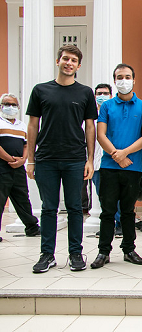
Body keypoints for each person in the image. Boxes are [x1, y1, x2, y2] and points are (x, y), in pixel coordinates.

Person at [26, 44, 97, 273]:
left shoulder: (85, 92)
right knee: (49, 208)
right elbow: (33, 124)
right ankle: (47, 254)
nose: (69, 63)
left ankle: (76, 253)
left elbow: (89, 127)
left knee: (76, 207)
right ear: (58, 61)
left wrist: (89, 159)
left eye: (74, 60)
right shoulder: (40, 90)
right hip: (46, 157)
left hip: (75, 158)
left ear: (78, 65)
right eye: (65, 59)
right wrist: (31, 158)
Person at [90, 63, 142, 269]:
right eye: (119, 77)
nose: (123, 81)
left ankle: (129, 249)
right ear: (114, 80)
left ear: (134, 80)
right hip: (109, 166)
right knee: (107, 211)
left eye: (127, 77)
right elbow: (101, 134)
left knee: (128, 210)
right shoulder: (106, 106)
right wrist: (116, 155)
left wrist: (125, 153)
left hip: (132, 166)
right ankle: (103, 251)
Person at [0, 94, 41, 240]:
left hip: (18, 168)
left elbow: (27, 144)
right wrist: (9, 159)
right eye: (6, 104)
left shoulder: (22, 125)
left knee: (22, 198)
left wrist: (23, 160)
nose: (10, 107)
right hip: (2, 166)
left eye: (13, 105)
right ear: (1, 106)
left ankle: (32, 227)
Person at [92, 84, 122, 238]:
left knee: (115, 197)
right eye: (99, 93)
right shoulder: (90, 118)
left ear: (111, 95)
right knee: (102, 197)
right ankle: (108, 225)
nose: (101, 96)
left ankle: (119, 224)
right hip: (95, 164)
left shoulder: (114, 113)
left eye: (105, 93)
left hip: (113, 160)